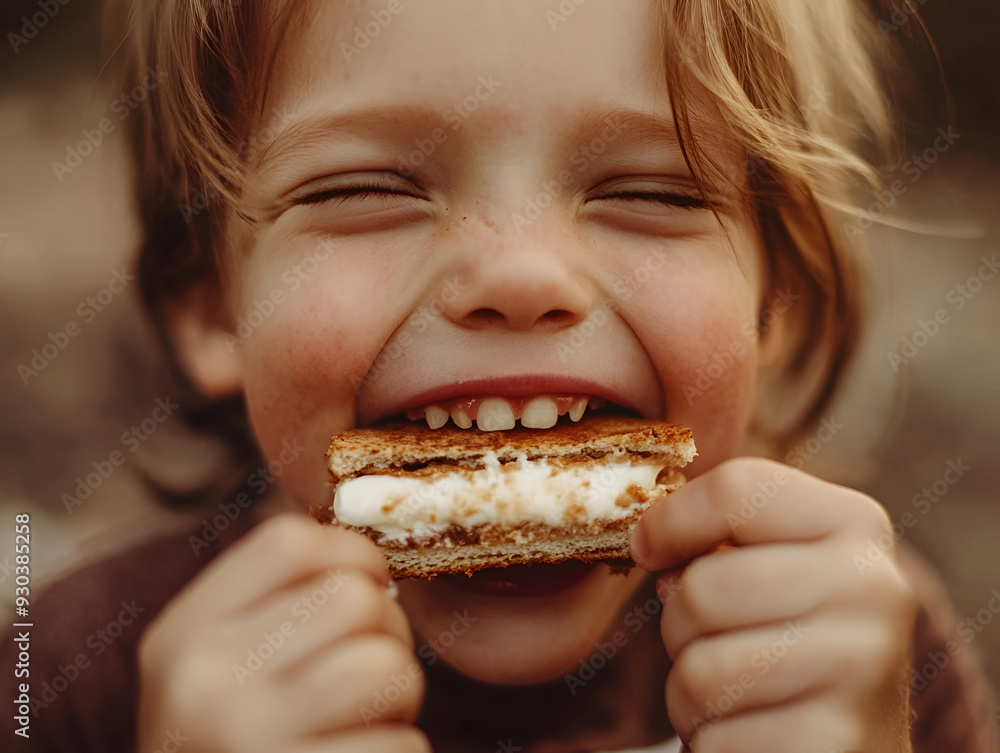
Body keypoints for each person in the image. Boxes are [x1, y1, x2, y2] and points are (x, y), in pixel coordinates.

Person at [3, 1, 996, 751]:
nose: (520, 276)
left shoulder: (862, 649)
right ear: (213, 302)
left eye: (651, 190)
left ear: (775, 301)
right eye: (363, 188)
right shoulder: (73, 675)